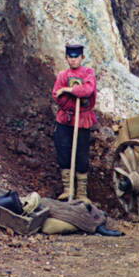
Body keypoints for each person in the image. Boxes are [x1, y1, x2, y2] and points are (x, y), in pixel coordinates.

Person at [52, 40, 97, 200]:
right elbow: (57, 95)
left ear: (82, 57)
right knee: (64, 152)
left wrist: (69, 90)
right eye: (70, 57)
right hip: (65, 119)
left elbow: (88, 90)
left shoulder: (88, 73)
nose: (73, 60)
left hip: (82, 119)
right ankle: (68, 189)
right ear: (66, 58)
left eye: (76, 57)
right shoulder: (62, 75)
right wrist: (69, 95)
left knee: (81, 154)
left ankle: (81, 193)